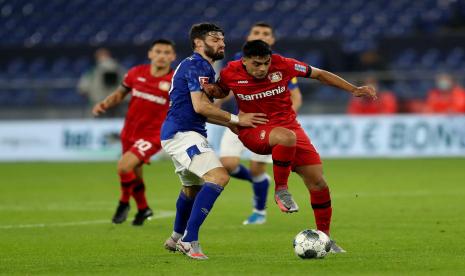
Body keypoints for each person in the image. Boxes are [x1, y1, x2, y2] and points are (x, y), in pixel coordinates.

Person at [217, 40, 377, 252]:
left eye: (265, 63)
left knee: (319, 183)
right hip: (256, 129)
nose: (262, 68)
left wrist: (353, 89)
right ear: (244, 61)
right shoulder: (229, 72)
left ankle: (325, 240)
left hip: (289, 127)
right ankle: (281, 189)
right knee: (286, 137)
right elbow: (211, 99)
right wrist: (232, 120)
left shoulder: (283, 64)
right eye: (256, 64)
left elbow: (319, 74)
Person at [160, 23, 267, 260]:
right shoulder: (196, 64)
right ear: (199, 42)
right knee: (219, 176)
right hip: (182, 133)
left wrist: (233, 124)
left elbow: (202, 111)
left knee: (191, 189)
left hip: (182, 132)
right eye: (216, 39)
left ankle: (176, 237)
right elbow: (201, 106)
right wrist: (238, 118)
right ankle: (190, 241)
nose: (222, 43)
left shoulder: (201, 66)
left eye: (223, 39)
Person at [216, 22, 303, 225]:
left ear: (272, 40)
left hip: (268, 123)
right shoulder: (236, 62)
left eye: (266, 33)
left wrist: (287, 120)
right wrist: (213, 108)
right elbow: (226, 90)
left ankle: (259, 212)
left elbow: (296, 96)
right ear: (248, 37)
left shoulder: (279, 64)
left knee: (257, 168)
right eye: (257, 32)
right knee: (228, 165)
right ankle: (261, 183)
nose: (261, 35)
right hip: (240, 119)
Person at [92, 39, 176, 225]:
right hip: (129, 131)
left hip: (153, 135)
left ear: (173, 57)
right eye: (158, 51)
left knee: (123, 166)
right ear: (150, 54)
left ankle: (123, 203)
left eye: (166, 52)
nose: (162, 56)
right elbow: (120, 94)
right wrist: (104, 104)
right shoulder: (136, 73)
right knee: (135, 174)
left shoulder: (174, 81)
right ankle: (143, 209)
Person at [79, 48, 126, 117]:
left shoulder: (93, 71)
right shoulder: (120, 69)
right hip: (116, 101)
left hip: (99, 101)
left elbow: (83, 88)